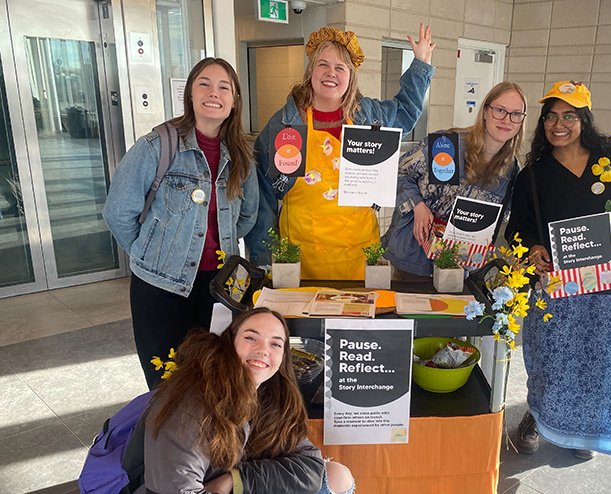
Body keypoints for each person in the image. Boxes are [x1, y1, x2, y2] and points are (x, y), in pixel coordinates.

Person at [506, 80, 611, 459]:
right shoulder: (534, 174)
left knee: (598, 365)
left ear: (584, 119)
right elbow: (517, 227)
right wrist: (534, 248)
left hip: (603, 287)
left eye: (569, 115)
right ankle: (536, 419)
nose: (559, 124)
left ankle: (584, 433)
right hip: (555, 285)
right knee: (547, 360)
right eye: (551, 116)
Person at [103, 58, 258, 389]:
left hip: (221, 286)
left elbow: (248, 215)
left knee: (217, 377)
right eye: (204, 84)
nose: (213, 93)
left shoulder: (241, 154)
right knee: (168, 384)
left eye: (223, 87)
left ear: (234, 100)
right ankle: (170, 442)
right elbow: (118, 210)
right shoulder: (157, 146)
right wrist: (151, 254)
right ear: (190, 94)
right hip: (160, 289)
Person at [244, 24, 436, 281]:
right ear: (311, 70)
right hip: (300, 257)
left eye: (340, 67)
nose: (330, 73)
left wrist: (421, 64)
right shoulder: (286, 124)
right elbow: (264, 196)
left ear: (350, 76)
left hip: (359, 254)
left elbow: (405, 112)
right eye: (323, 64)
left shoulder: (368, 116)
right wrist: (264, 259)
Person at [132, 307, 354, 493]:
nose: (263, 350)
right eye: (250, 338)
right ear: (229, 343)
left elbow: (310, 466)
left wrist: (234, 480)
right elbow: (175, 488)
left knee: (338, 477)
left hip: (223, 484)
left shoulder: (268, 394)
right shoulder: (192, 400)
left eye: (275, 344)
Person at [382, 81, 527, 277]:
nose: (507, 120)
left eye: (516, 114)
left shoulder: (512, 170)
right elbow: (398, 172)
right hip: (412, 257)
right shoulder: (447, 144)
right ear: (485, 112)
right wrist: (417, 205)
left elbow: (504, 217)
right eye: (500, 110)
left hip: (459, 269)